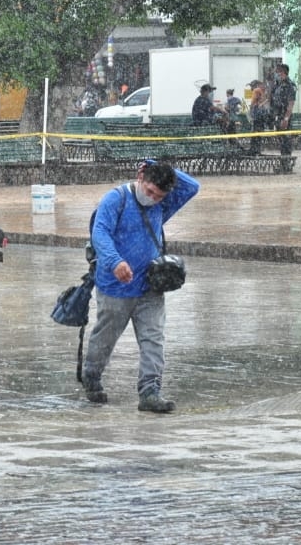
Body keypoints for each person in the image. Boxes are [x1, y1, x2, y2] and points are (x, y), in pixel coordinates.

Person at [83, 160, 200, 413]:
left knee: (153, 339)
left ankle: (150, 391)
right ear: (139, 177)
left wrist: (157, 164)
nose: (153, 199)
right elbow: (100, 233)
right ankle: (92, 376)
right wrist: (115, 262)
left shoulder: (161, 204)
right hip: (115, 286)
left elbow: (192, 186)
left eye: (159, 196)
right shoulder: (116, 200)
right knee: (105, 337)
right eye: (149, 192)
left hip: (150, 285)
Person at [271, 63, 297, 156]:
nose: (277, 74)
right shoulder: (278, 84)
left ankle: (287, 161)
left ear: (283, 72)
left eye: (278, 72)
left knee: (286, 139)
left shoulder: (290, 85)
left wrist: (286, 119)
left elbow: (291, 103)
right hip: (278, 115)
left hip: (285, 116)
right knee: (281, 139)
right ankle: (283, 160)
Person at [248, 81, 270, 154]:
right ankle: (257, 149)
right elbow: (265, 100)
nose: (250, 88)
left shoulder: (256, 90)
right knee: (259, 132)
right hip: (261, 115)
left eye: (251, 86)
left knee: (254, 132)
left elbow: (253, 102)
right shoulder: (262, 91)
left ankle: (253, 149)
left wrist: (251, 109)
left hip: (256, 113)